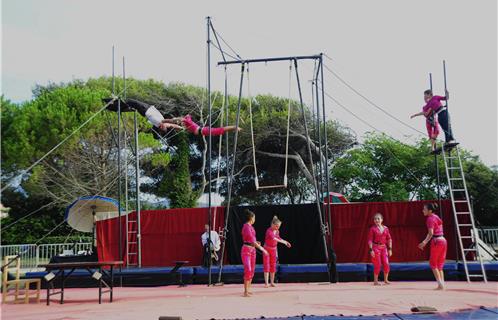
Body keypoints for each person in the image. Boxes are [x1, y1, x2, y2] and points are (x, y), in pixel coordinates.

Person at [418, 203, 447, 290]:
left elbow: (430, 233)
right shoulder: (436, 217)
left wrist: (424, 242)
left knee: (433, 263)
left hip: (437, 241)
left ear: (430, 211)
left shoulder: (430, 219)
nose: (423, 210)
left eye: (424, 209)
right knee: (440, 264)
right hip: (443, 240)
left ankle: (440, 284)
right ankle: (442, 284)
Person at [241, 209, 268, 297]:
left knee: (252, 271)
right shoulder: (246, 227)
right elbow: (252, 241)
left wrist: (257, 243)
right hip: (246, 251)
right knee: (248, 269)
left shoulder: (251, 227)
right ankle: (245, 292)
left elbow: (253, 240)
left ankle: (248, 290)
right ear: (251, 218)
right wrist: (263, 249)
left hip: (252, 250)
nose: (255, 219)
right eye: (254, 218)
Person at [263, 216, 291, 288]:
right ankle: (266, 283)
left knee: (273, 265)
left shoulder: (277, 231)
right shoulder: (269, 231)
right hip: (267, 249)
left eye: (279, 226)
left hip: (273, 250)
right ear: (272, 224)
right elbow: (275, 239)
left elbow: (278, 238)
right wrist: (284, 242)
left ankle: (272, 282)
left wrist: (286, 242)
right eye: (276, 226)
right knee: (267, 265)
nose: (278, 227)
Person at [367, 213, 392, 285]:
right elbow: (370, 240)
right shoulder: (372, 229)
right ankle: (375, 281)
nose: (376, 220)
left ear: (382, 220)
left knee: (386, 264)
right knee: (378, 264)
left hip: (384, 248)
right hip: (375, 248)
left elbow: (389, 239)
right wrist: (371, 250)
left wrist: (390, 249)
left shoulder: (386, 228)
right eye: (375, 219)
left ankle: (386, 280)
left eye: (378, 218)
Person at [162, 114, 241, 136]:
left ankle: (235, 127)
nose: (181, 124)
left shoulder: (187, 121)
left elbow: (179, 119)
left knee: (219, 130)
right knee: (219, 131)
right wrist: (166, 125)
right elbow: (176, 126)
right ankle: (233, 128)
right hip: (203, 131)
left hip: (203, 130)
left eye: (181, 122)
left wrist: (166, 120)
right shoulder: (187, 125)